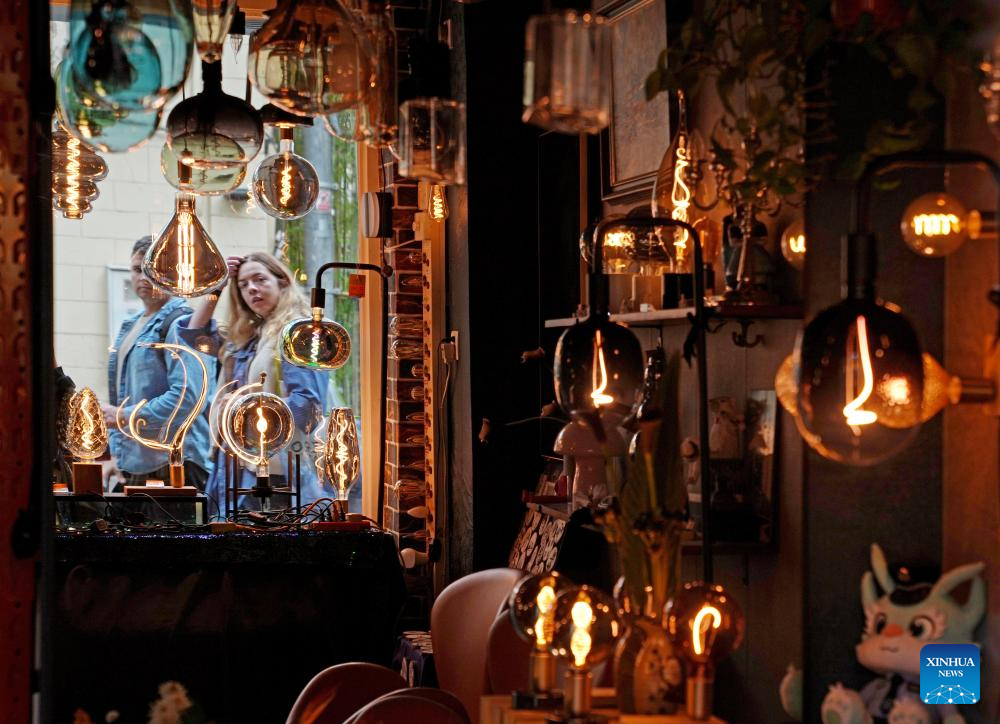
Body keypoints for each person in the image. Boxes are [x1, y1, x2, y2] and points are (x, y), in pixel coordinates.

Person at [180, 251, 329, 511]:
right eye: (243, 285)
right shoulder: (251, 334)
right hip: (240, 463)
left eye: (260, 279)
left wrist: (243, 408)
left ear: (282, 281)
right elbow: (195, 334)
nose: (252, 289)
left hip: (276, 469)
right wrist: (217, 287)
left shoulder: (299, 334)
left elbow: (306, 406)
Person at [101, 236, 215, 490]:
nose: (144, 277)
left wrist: (122, 416)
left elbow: (188, 397)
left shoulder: (182, 323)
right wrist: (115, 453)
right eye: (137, 269)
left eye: (152, 270)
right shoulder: (130, 326)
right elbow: (125, 396)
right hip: (136, 462)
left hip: (175, 463)